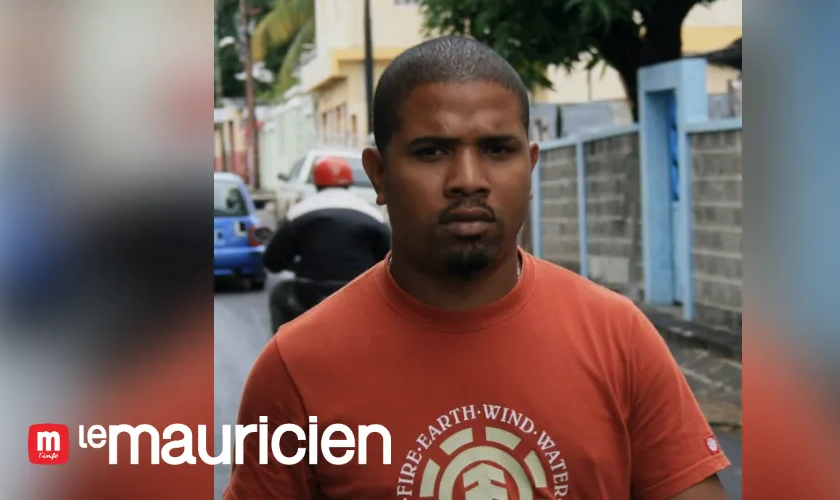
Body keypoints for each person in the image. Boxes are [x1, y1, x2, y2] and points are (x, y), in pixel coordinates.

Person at [225, 36, 730, 499]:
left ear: (530, 167)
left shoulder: (618, 338)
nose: (468, 179)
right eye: (432, 151)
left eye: (497, 150)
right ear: (378, 174)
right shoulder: (296, 368)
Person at [262, 156, 390, 333]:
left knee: (279, 293)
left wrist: (297, 264)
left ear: (315, 183)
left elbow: (272, 262)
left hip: (310, 294)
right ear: (349, 182)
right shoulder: (372, 215)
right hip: (361, 295)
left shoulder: (299, 213)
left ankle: (281, 347)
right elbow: (390, 260)